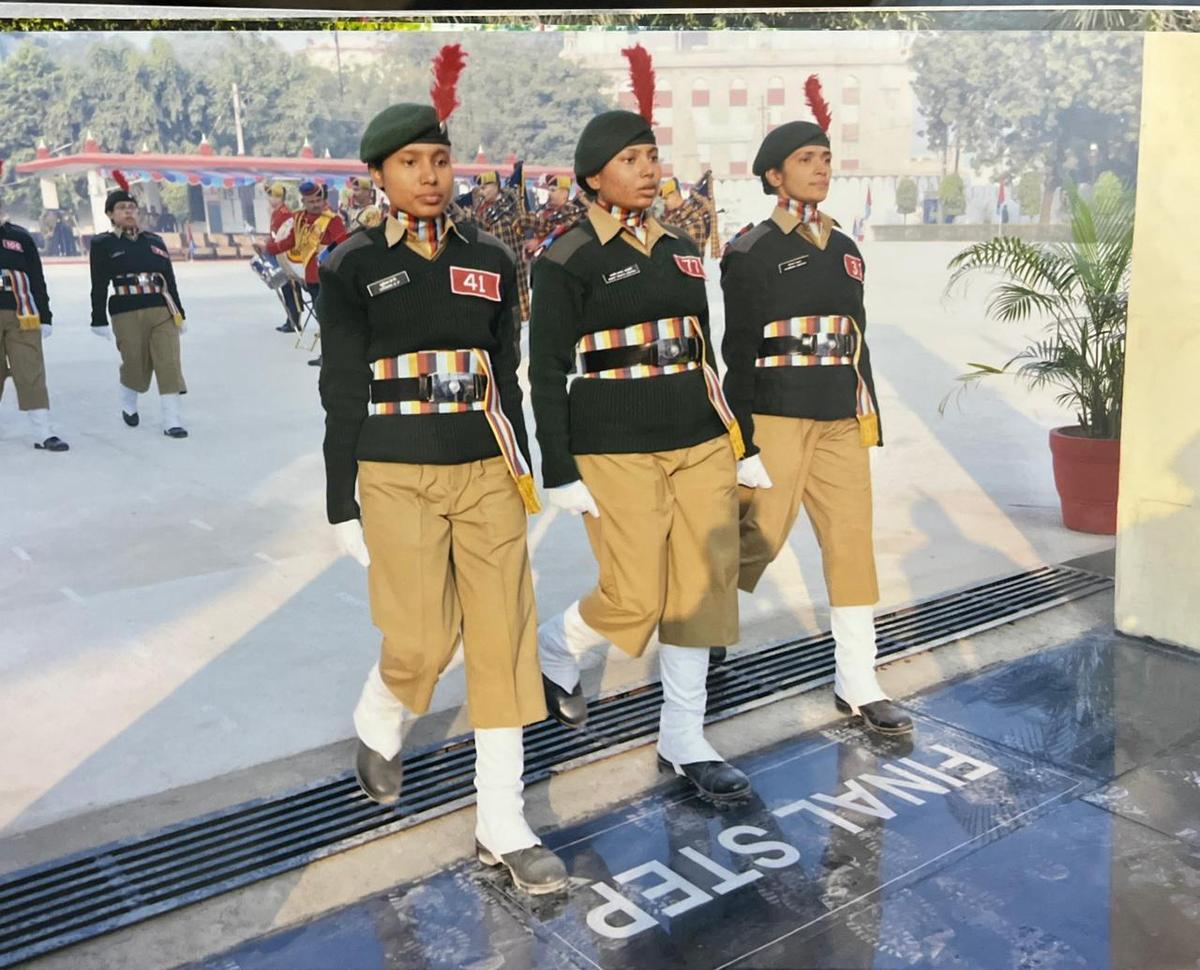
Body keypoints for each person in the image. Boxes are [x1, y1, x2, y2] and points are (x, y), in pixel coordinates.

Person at [317, 44, 567, 895]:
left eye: (439, 159)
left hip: (486, 467)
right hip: (396, 469)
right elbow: (341, 386)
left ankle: (503, 822)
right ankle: (382, 710)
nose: (429, 176)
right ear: (379, 176)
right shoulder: (352, 264)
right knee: (423, 638)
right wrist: (340, 498)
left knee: (503, 641)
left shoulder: (492, 258)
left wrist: (526, 472)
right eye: (409, 163)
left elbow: (509, 374)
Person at [529, 45, 752, 804]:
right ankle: (556, 645)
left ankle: (684, 737)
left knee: (698, 591)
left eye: (652, 155)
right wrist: (558, 468)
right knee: (635, 596)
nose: (649, 169)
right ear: (594, 177)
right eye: (630, 158)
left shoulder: (683, 249)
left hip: (697, 439)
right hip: (613, 444)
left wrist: (739, 442)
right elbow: (544, 369)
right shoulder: (566, 259)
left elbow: (704, 350)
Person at [719, 82, 912, 737]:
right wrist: (742, 441)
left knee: (851, 542)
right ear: (774, 176)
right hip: (777, 414)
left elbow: (858, 336)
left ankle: (858, 681)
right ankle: (705, 628)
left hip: (838, 417)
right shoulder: (750, 250)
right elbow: (737, 351)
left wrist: (868, 415)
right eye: (807, 159)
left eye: (826, 158)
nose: (822, 168)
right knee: (760, 536)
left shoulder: (848, 251)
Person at [89, 171, 190, 439]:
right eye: (122, 208)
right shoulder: (103, 243)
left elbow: (169, 280)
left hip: (161, 309)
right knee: (135, 363)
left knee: (169, 363)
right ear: (110, 214)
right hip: (126, 310)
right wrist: (98, 317)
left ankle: (172, 421)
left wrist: (180, 313)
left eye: (132, 207)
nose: (128, 212)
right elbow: (98, 283)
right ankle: (128, 403)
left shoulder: (154, 241)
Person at [0, 172, 69, 451]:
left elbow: (36, 278)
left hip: (22, 313)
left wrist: (46, 316)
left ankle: (43, 432)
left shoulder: (19, 237)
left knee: (31, 371)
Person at [257, 180, 348, 366]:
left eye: (318, 200)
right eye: (311, 202)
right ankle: (329, 356)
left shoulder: (332, 220)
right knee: (323, 318)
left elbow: (343, 244)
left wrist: (326, 256)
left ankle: (336, 356)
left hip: (330, 277)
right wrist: (268, 249)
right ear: (303, 202)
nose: (316, 205)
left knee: (330, 319)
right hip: (311, 278)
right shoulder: (298, 219)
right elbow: (289, 242)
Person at [254, 183, 305, 333]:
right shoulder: (276, 213)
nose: (270, 199)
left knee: (291, 289)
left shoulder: (285, 214)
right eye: (269, 196)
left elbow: (286, 236)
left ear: (280, 197)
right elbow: (275, 235)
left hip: (286, 256)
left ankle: (294, 320)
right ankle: (290, 319)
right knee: (285, 288)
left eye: (273, 196)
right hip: (277, 254)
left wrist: (268, 245)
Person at [659, 171, 715, 253]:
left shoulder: (693, 220)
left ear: (675, 194)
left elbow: (692, 255)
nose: (664, 203)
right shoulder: (672, 216)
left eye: (666, 198)